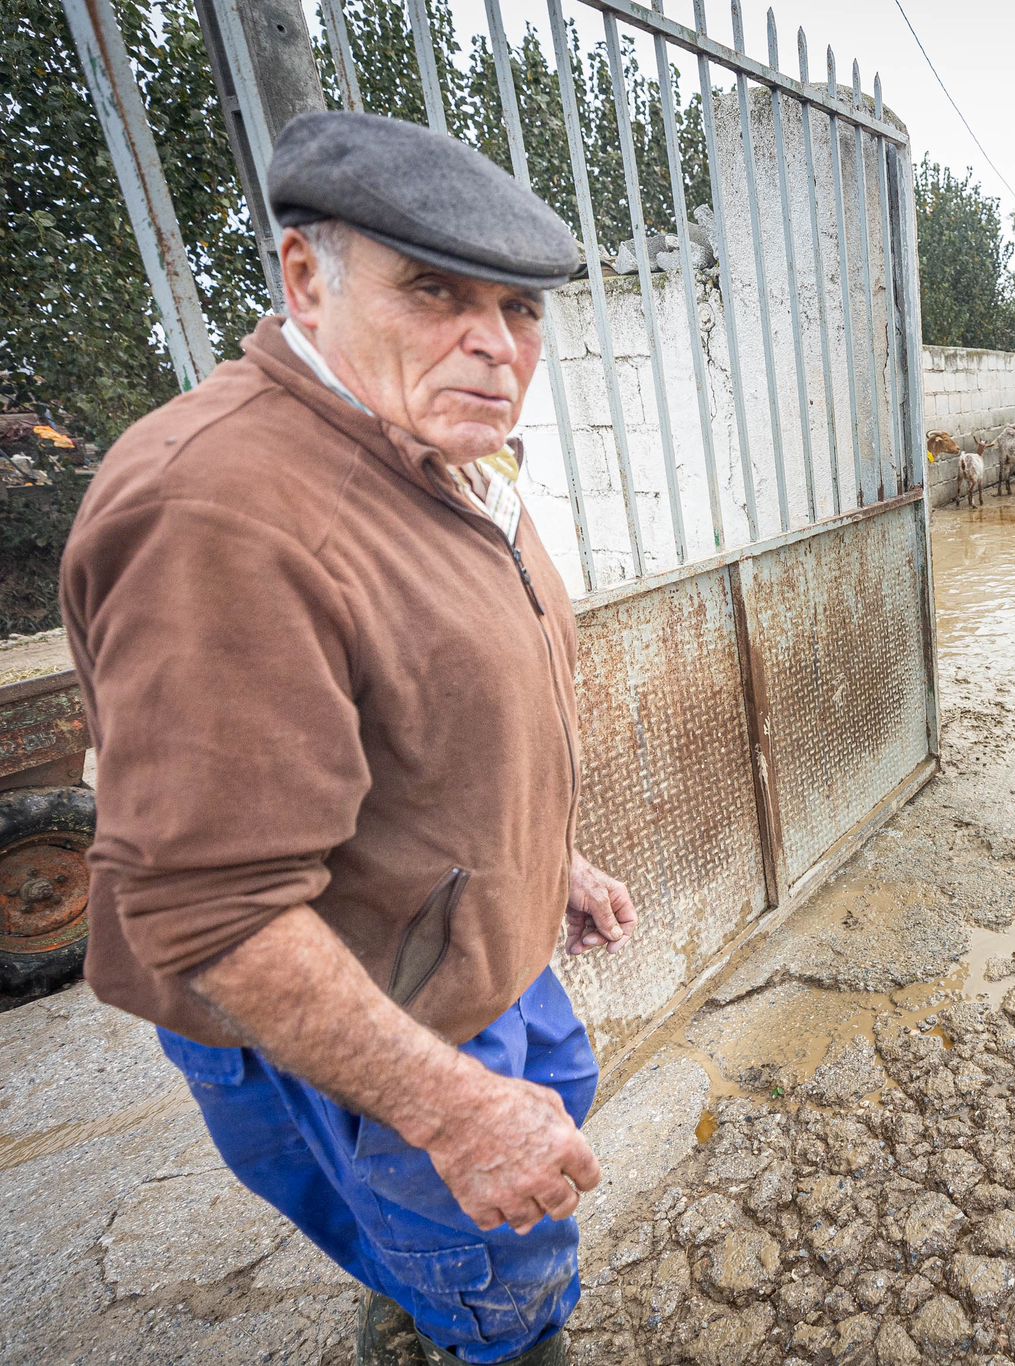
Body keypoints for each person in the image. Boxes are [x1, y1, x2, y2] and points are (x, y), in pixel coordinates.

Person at [60, 111, 638, 1366]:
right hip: (369, 1026)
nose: (494, 345)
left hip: (476, 957)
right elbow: (211, 915)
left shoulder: (436, 449)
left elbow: (439, 718)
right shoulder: (217, 513)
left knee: (509, 1201)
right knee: (493, 1277)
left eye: (520, 308)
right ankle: (463, 1326)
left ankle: (430, 1288)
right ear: (306, 278)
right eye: (434, 290)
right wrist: (453, 1108)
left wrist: (549, 859)